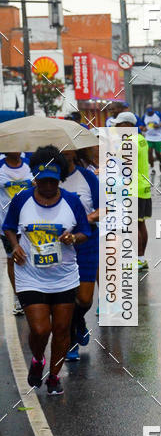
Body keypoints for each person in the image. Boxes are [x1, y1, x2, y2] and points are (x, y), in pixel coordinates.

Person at [2, 146, 91, 395]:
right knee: (41, 329)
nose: (48, 186)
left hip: (63, 277)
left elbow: (86, 231)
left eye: (53, 181)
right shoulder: (22, 199)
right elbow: (8, 226)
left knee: (62, 330)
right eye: (43, 181)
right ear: (35, 179)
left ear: (59, 178)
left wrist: (73, 237)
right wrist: (16, 245)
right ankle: (38, 359)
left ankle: (54, 377)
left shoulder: (71, 201)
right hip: (29, 274)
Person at [60, 150, 100, 361]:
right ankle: (71, 339)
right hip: (59, 246)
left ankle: (78, 321)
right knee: (65, 298)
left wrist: (88, 218)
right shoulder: (46, 179)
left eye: (68, 148)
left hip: (87, 241)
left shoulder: (87, 176)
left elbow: (106, 207)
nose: (64, 152)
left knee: (84, 299)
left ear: (74, 151)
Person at [113, 111, 152, 269]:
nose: (116, 128)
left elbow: (123, 167)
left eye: (119, 125)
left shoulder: (128, 142)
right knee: (140, 223)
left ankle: (137, 258)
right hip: (143, 187)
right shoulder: (141, 139)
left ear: (128, 125)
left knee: (132, 226)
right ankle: (141, 258)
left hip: (132, 189)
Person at [0, 151, 33, 315]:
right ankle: (19, 297)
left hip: (30, 222)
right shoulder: (0, 166)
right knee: (13, 259)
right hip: (7, 223)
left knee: (31, 257)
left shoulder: (29, 164)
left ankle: (34, 291)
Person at [143, 105, 161, 173]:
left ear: (153, 110)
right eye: (148, 112)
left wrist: (159, 125)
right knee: (149, 152)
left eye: (151, 112)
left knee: (157, 153)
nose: (150, 113)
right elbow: (141, 125)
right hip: (148, 137)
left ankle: (160, 163)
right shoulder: (144, 116)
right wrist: (143, 128)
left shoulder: (158, 114)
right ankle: (152, 168)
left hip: (157, 137)